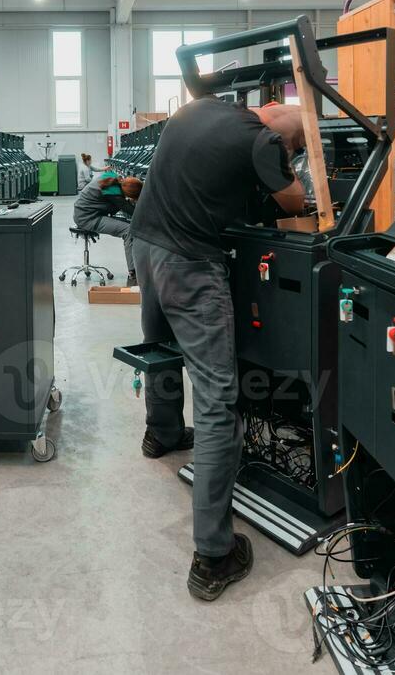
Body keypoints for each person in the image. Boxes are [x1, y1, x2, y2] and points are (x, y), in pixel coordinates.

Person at [128, 99, 306, 601]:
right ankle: (214, 554)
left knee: (159, 347)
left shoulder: (198, 107)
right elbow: (293, 204)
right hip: (189, 263)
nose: (288, 150)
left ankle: (159, 432)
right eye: (294, 143)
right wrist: (288, 161)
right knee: (216, 401)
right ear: (283, 127)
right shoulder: (265, 140)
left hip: (145, 243)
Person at [72, 167, 142, 286]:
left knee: (129, 224)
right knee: (128, 230)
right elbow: (132, 211)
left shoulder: (113, 178)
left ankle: (138, 267)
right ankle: (133, 274)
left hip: (89, 212)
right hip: (87, 218)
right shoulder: (113, 193)